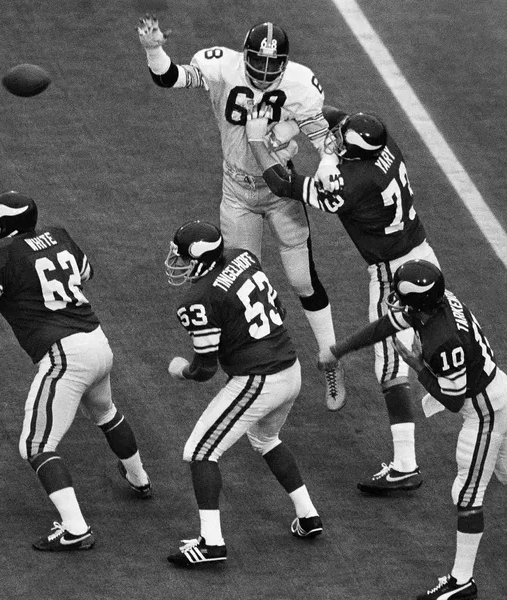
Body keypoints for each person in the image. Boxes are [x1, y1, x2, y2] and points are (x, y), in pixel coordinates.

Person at [136, 15, 346, 411]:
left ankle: (330, 358)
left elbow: (322, 136)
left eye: (273, 65)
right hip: (236, 191)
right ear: (244, 55)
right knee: (243, 286)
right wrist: (153, 48)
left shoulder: (300, 84)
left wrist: (328, 164)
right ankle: (258, 372)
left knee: (302, 280)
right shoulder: (221, 66)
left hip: (281, 188)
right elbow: (170, 78)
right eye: (258, 63)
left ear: (284, 63)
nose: (264, 73)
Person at [246, 106, 440, 493]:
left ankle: (405, 465)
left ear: (356, 154)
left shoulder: (350, 185)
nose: (334, 139)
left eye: (342, 142)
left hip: (394, 273)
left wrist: (256, 139)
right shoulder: (384, 146)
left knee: (391, 369)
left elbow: (283, 184)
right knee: (439, 345)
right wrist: (299, 110)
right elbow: (339, 118)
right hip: (422, 254)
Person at [0, 191, 152, 551]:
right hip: (96, 340)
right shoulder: (58, 235)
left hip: (64, 354)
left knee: (36, 445)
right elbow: (86, 272)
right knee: (105, 410)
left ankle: (75, 529)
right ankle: (139, 478)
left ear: (5, 225)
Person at [321, 260, 507, 600]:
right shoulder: (437, 302)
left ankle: (462, 581)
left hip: (485, 412)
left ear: (419, 302)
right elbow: (384, 327)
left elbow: (453, 400)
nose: (397, 303)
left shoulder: (444, 340)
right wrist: (337, 351)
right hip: (496, 396)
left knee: (466, 495)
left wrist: (420, 369)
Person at [164, 220, 322, 568]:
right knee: (266, 439)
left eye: (183, 258)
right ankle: (308, 515)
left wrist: (181, 371)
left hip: (259, 379)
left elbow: (205, 369)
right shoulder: (242, 257)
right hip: (290, 368)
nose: (179, 264)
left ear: (199, 258)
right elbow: (278, 310)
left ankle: (211, 543)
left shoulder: (198, 298)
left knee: (200, 451)